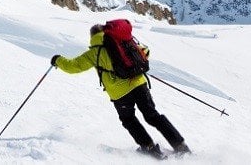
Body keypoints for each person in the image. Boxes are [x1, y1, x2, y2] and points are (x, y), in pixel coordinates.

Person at [51, 23, 190, 159]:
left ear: (92, 36)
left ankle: (148, 147)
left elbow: (73, 67)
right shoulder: (124, 42)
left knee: (129, 119)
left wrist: (57, 60)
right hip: (139, 84)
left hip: (120, 94)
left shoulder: (94, 52)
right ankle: (180, 146)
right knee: (152, 115)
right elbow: (145, 52)